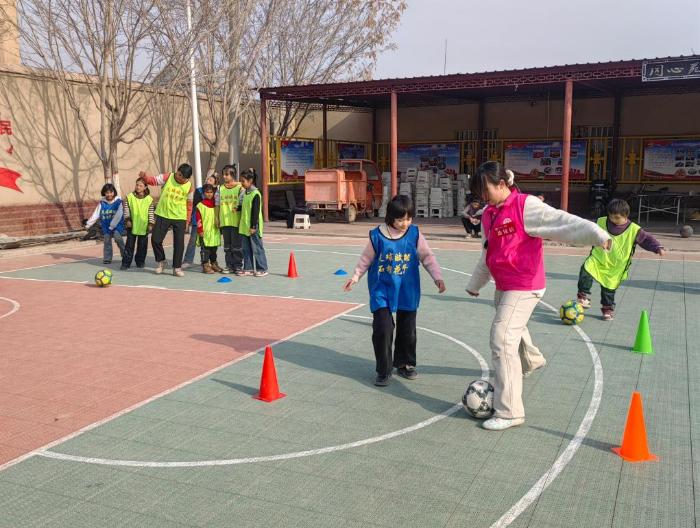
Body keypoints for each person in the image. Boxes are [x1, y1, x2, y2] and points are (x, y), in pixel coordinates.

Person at [465, 161, 611, 431]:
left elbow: (562, 222)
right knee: (514, 329)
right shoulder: (489, 215)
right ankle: (532, 359)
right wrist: (476, 283)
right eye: (479, 193)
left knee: (502, 338)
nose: (483, 197)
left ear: (502, 184)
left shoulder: (525, 206)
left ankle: (510, 411)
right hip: (504, 284)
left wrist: (597, 234)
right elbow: (487, 252)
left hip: (525, 284)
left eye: (486, 190)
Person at [343, 195, 446, 386]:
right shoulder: (377, 236)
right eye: (400, 219)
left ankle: (404, 363)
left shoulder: (415, 234)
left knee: (408, 329)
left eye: (408, 218)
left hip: (407, 288)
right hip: (382, 288)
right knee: (383, 328)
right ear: (390, 217)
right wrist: (355, 276)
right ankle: (384, 370)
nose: (404, 223)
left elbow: (427, 257)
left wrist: (437, 277)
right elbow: (366, 259)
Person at [576, 198, 665, 321]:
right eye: (611, 216)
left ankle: (607, 309)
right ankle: (582, 296)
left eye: (617, 218)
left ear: (626, 215)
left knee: (608, 288)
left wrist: (657, 247)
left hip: (616, 266)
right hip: (598, 258)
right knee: (586, 270)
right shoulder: (601, 221)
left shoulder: (634, 230)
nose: (613, 220)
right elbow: (587, 227)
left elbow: (646, 240)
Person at [139, 163, 193, 277]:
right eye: (179, 174)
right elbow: (154, 181)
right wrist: (145, 177)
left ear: (187, 178)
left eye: (183, 177)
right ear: (177, 171)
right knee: (155, 239)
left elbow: (189, 204)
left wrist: (187, 221)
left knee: (179, 243)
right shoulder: (168, 177)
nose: (179, 178)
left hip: (180, 217)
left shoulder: (189, 186)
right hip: (163, 214)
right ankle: (161, 261)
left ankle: (177, 267)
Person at [183, 171, 218, 269]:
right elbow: (196, 204)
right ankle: (188, 260)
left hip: (210, 223)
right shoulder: (199, 190)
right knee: (193, 241)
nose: (208, 180)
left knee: (210, 243)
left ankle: (210, 262)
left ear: (214, 184)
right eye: (207, 179)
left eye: (211, 180)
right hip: (198, 221)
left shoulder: (216, 193)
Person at [237, 169, 268, 277]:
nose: (241, 183)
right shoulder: (245, 193)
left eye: (243, 181)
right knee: (246, 248)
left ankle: (262, 268)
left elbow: (255, 211)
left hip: (253, 226)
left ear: (250, 181)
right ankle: (248, 268)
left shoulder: (256, 194)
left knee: (257, 248)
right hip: (244, 226)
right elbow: (245, 206)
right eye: (241, 181)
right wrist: (238, 208)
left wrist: (253, 226)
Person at [85, 183, 125, 264]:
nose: (109, 194)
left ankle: (125, 255)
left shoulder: (118, 202)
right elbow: (95, 214)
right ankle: (107, 258)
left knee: (118, 238)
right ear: (104, 193)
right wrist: (88, 224)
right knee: (107, 241)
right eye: (107, 192)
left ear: (114, 192)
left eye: (111, 192)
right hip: (106, 225)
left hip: (117, 225)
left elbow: (118, 215)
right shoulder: (102, 203)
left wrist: (112, 225)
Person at [121, 177, 155, 270]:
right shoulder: (130, 197)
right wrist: (127, 220)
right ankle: (126, 263)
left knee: (142, 247)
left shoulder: (149, 199)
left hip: (144, 226)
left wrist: (151, 224)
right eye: (137, 185)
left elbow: (151, 212)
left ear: (145, 187)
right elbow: (126, 210)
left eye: (140, 185)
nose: (138, 187)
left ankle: (140, 262)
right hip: (132, 226)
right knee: (129, 246)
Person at [216, 165, 243, 274]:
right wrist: (217, 218)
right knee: (227, 247)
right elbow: (217, 204)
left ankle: (238, 266)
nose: (224, 176)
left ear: (233, 175)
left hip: (236, 222)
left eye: (227, 174)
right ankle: (229, 265)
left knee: (237, 246)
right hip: (225, 222)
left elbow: (242, 203)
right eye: (223, 174)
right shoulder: (220, 189)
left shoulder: (240, 188)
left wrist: (237, 183)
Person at [195, 183, 222, 273]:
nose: (209, 194)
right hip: (205, 232)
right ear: (203, 193)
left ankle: (214, 264)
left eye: (211, 192)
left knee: (214, 249)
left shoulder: (216, 205)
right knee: (205, 249)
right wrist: (200, 230)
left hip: (214, 231)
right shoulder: (200, 205)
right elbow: (198, 219)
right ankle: (205, 265)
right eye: (207, 192)